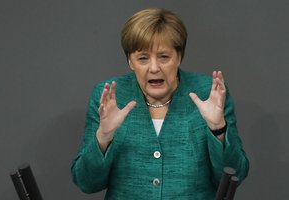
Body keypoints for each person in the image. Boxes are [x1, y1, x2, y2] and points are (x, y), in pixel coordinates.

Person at [71, 8, 249, 199]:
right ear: (130, 61)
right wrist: (103, 137)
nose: (154, 68)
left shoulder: (209, 93)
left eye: (164, 57)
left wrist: (218, 130)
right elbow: (86, 183)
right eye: (143, 58)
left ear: (179, 57)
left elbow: (236, 174)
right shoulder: (109, 96)